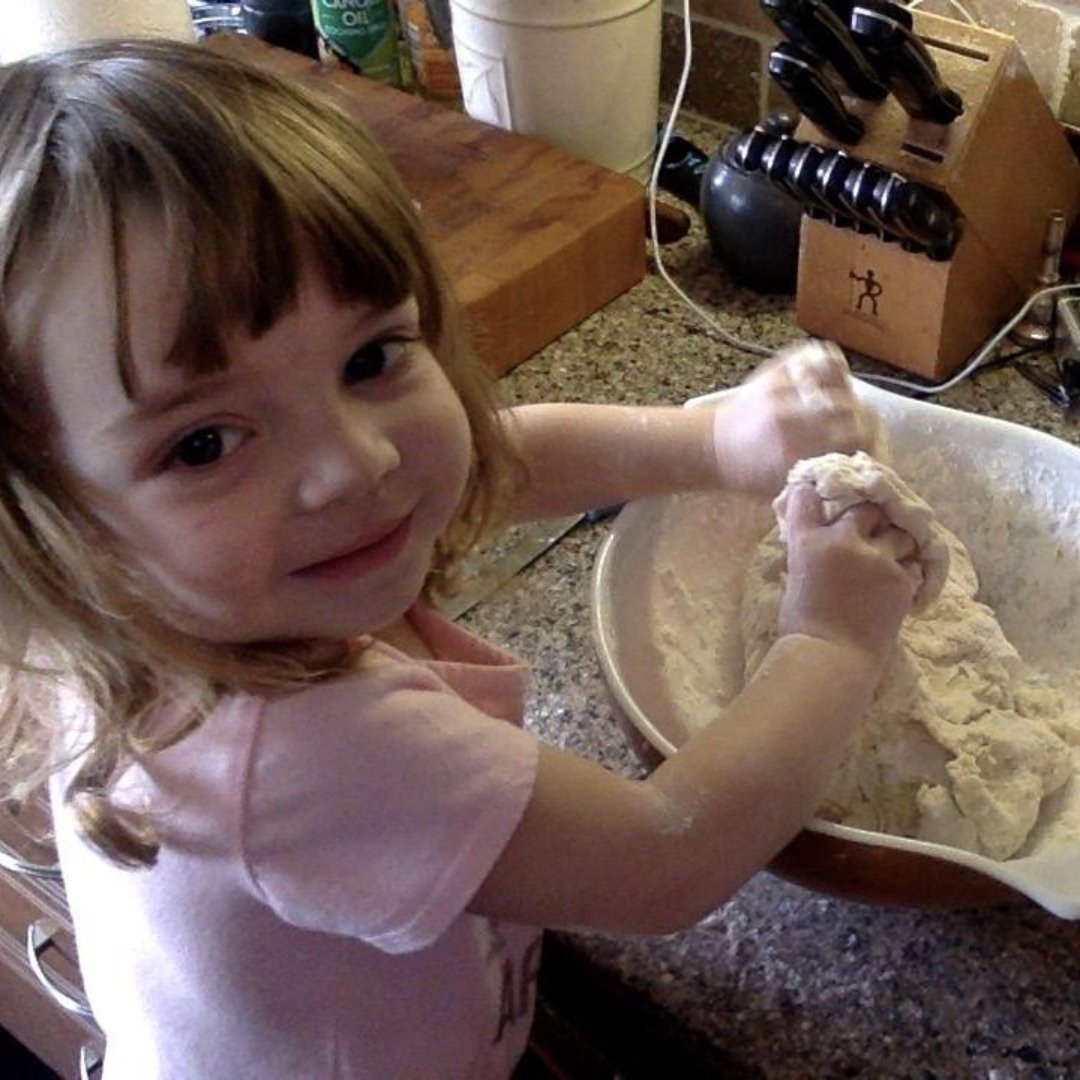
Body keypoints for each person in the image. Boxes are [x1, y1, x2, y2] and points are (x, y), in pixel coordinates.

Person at [0, 40, 921, 1080]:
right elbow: (666, 855)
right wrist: (834, 636)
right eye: (203, 442)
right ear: (46, 527)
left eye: (371, 358)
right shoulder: (302, 751)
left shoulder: (175, 587)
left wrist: (708, 444)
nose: (359, 462)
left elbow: (483, 462)